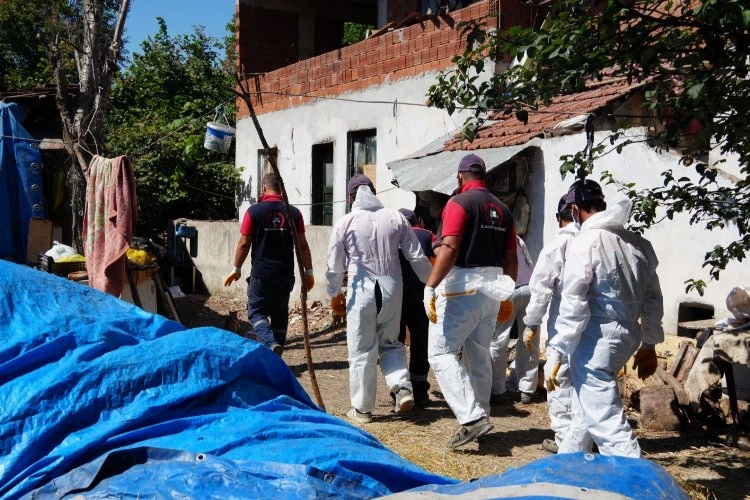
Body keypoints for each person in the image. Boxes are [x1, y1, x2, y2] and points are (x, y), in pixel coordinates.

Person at [547, 179, 663, 458]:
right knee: (585, 409)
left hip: (596, 340)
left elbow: (574, 302)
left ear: (575, 210)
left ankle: (635, 474)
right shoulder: (638, 244)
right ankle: (567, 465)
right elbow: (653, 299)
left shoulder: (586, 242)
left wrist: (560, 349)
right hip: (626, 336)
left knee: (606, 422)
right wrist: (649, 343)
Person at [423, 153, 517, 450]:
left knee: (441, 354)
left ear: (459, 176)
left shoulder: (458, 203)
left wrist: (430, 285)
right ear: (484, 176)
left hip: (461, 290)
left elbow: (450, 247)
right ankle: (482, 417)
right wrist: (507, 293)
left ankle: (472, 417)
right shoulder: (503, 209)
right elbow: (511, 256)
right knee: (478, 355)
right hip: (491, 291)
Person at [326, 174, 432, 424]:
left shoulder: (345, 222)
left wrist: (334, 293)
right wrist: (431, 285)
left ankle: (362, 409)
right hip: (392, 288)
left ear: (351, 198)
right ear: (374, 193)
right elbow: (416, 257)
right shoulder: (395, 217)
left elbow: (335, 266)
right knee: (391, 342)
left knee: (361, 348)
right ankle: (401, 388)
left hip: (361, 290)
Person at [223, 173, 314, 356]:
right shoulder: (294, 213)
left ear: (264, 187)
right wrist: (309, 272)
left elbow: (244, 243)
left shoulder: (254, 212)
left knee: (256, 313)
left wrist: (236, 268)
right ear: (281, 188)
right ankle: (276, 355)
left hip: (262, 275)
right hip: (285, 275)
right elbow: (303, 246)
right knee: (280, 315)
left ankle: (271, 344)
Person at [521, 194, 579, 454]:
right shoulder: (598, 241)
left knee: (558, 380)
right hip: (592, 328)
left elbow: (541, 289)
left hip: (563, 326)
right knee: (584, 382)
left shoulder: (558, 246)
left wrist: (532, 323)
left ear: (558, 217)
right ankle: (585, 437)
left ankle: (565, 439)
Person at [397, 208, 438, 407]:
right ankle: (420, 390)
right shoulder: (427, 235)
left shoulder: (390, 234)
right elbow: (439, 258)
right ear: (417, 222)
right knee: (420, 341)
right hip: (420, 296)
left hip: (393, 297)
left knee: (394, 344)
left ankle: (400, 391)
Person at [489, 235, 536, 404]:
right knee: (529, 339)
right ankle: (527, 389)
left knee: (498, 340)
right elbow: (529, 261)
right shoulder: (515, 238)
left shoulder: (489, 236)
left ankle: (497, 390)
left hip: (507, 291)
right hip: (529, 288)